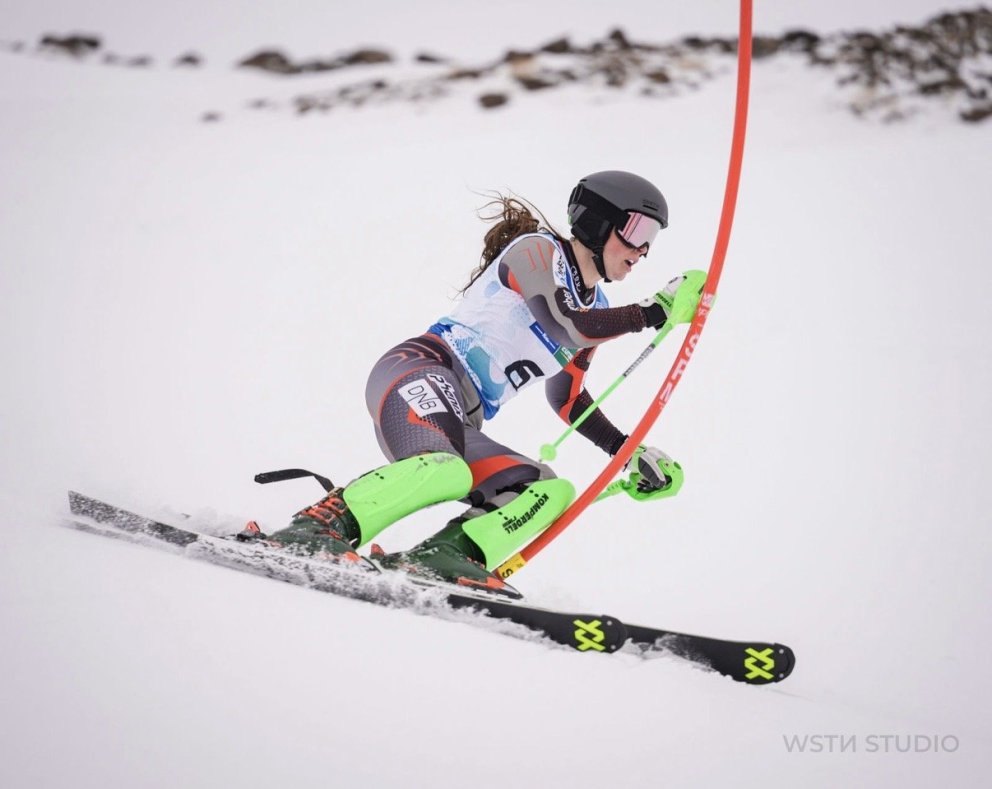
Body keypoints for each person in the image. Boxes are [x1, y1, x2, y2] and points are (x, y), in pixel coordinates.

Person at [261, 171, 705, 593]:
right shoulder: (537, 252)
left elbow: (568, 398)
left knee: (546, 490)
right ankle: (317, 526)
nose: (642, 250)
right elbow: (565, 324)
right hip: (420, 370)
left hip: (460, 420)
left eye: (651, 239)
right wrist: (654, 311)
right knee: (445, 468)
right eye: (636, 230)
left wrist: (627, 452)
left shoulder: (599, 309)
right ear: (597, 221)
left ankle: (445, 557)